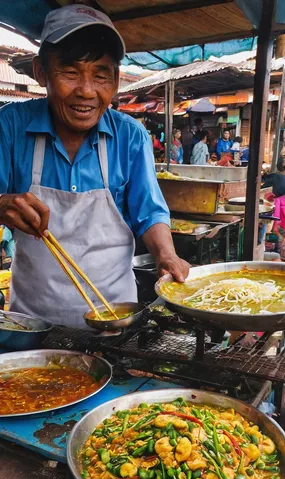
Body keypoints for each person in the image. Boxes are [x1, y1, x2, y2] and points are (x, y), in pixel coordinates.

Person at [0, 5, 189, 327]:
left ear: (116, 80)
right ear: (41, 71)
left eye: (101, 75)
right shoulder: (10, 126)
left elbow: (150, 212)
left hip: (114, 317)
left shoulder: (130, 136)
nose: (87, 91)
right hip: (31, 320)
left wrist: (166, 255)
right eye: (70, 73)